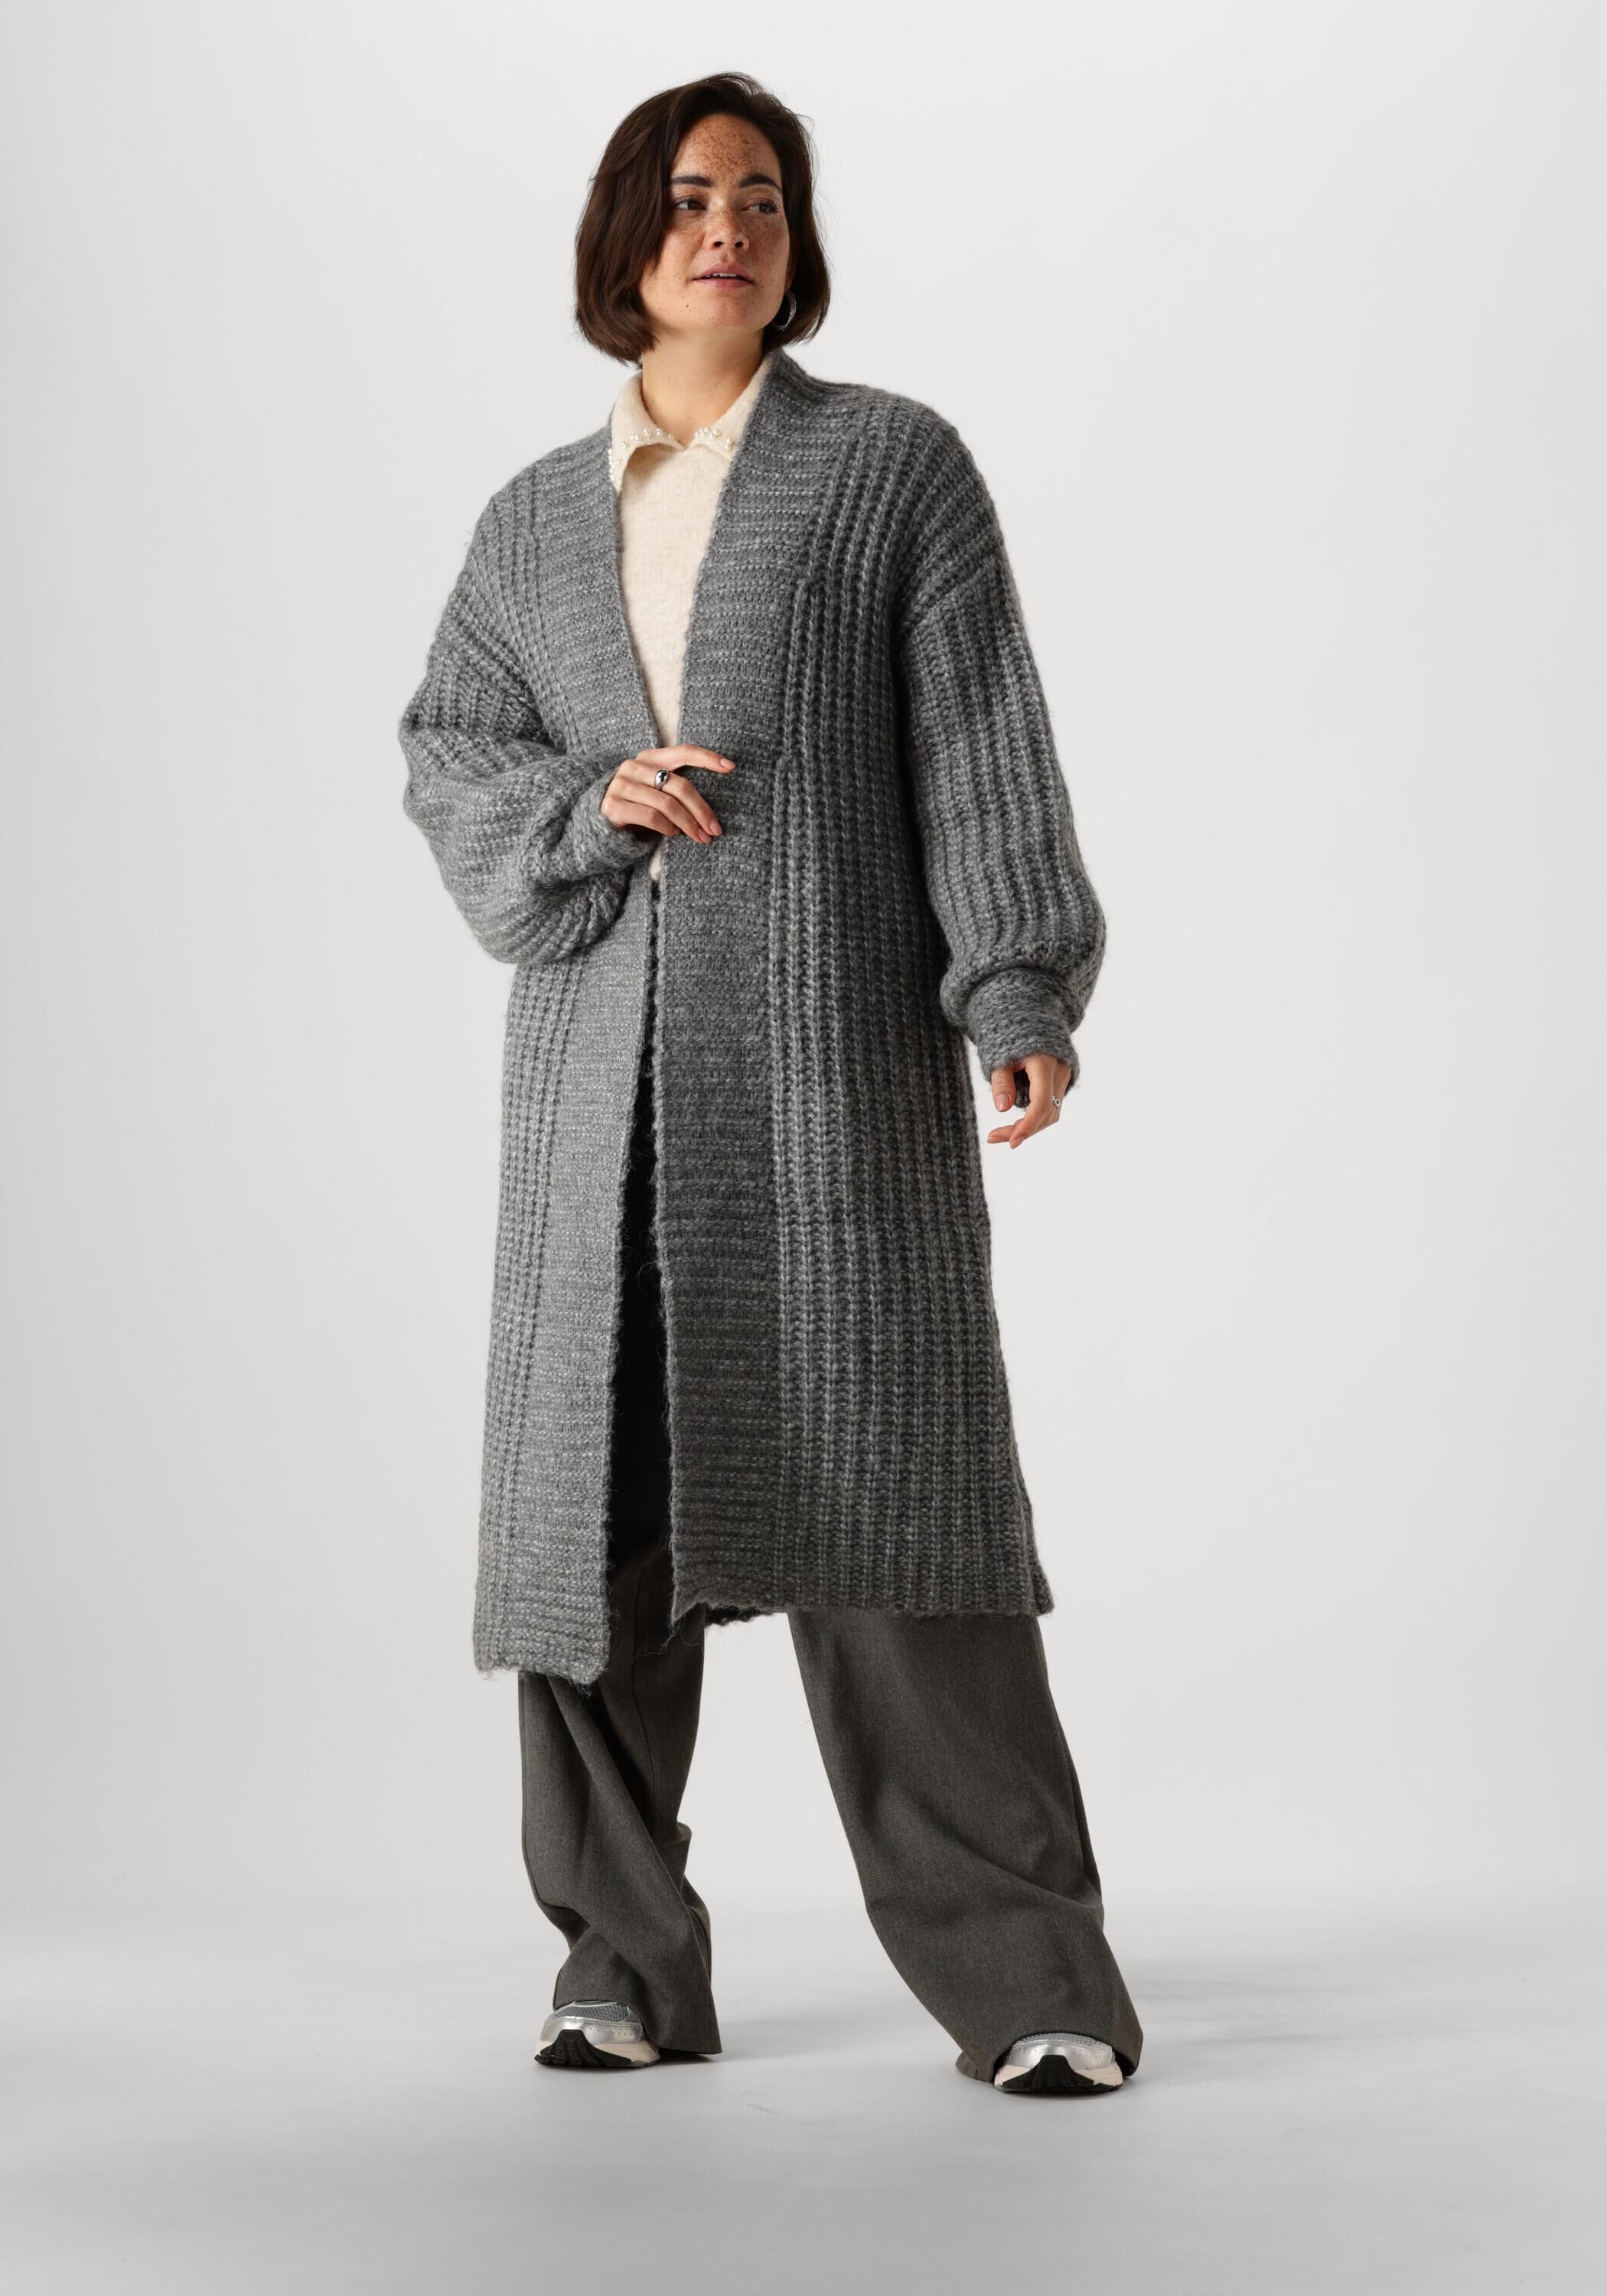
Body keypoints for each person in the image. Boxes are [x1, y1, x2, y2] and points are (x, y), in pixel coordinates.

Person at [396, 71, 1143, 2096]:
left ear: (795, 240)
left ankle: (1033, 1980)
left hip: (825, 1087)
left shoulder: (886, 466)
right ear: (621, 238)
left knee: (898, 1518)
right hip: (595, 1102)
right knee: (593, 1544)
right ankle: (620, 1967)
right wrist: (585, 804)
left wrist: (1015, 984)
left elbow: (976, 739)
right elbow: (452, 751)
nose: (723, 229)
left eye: (759, 199)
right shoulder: (531, 522)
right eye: (685, 198)